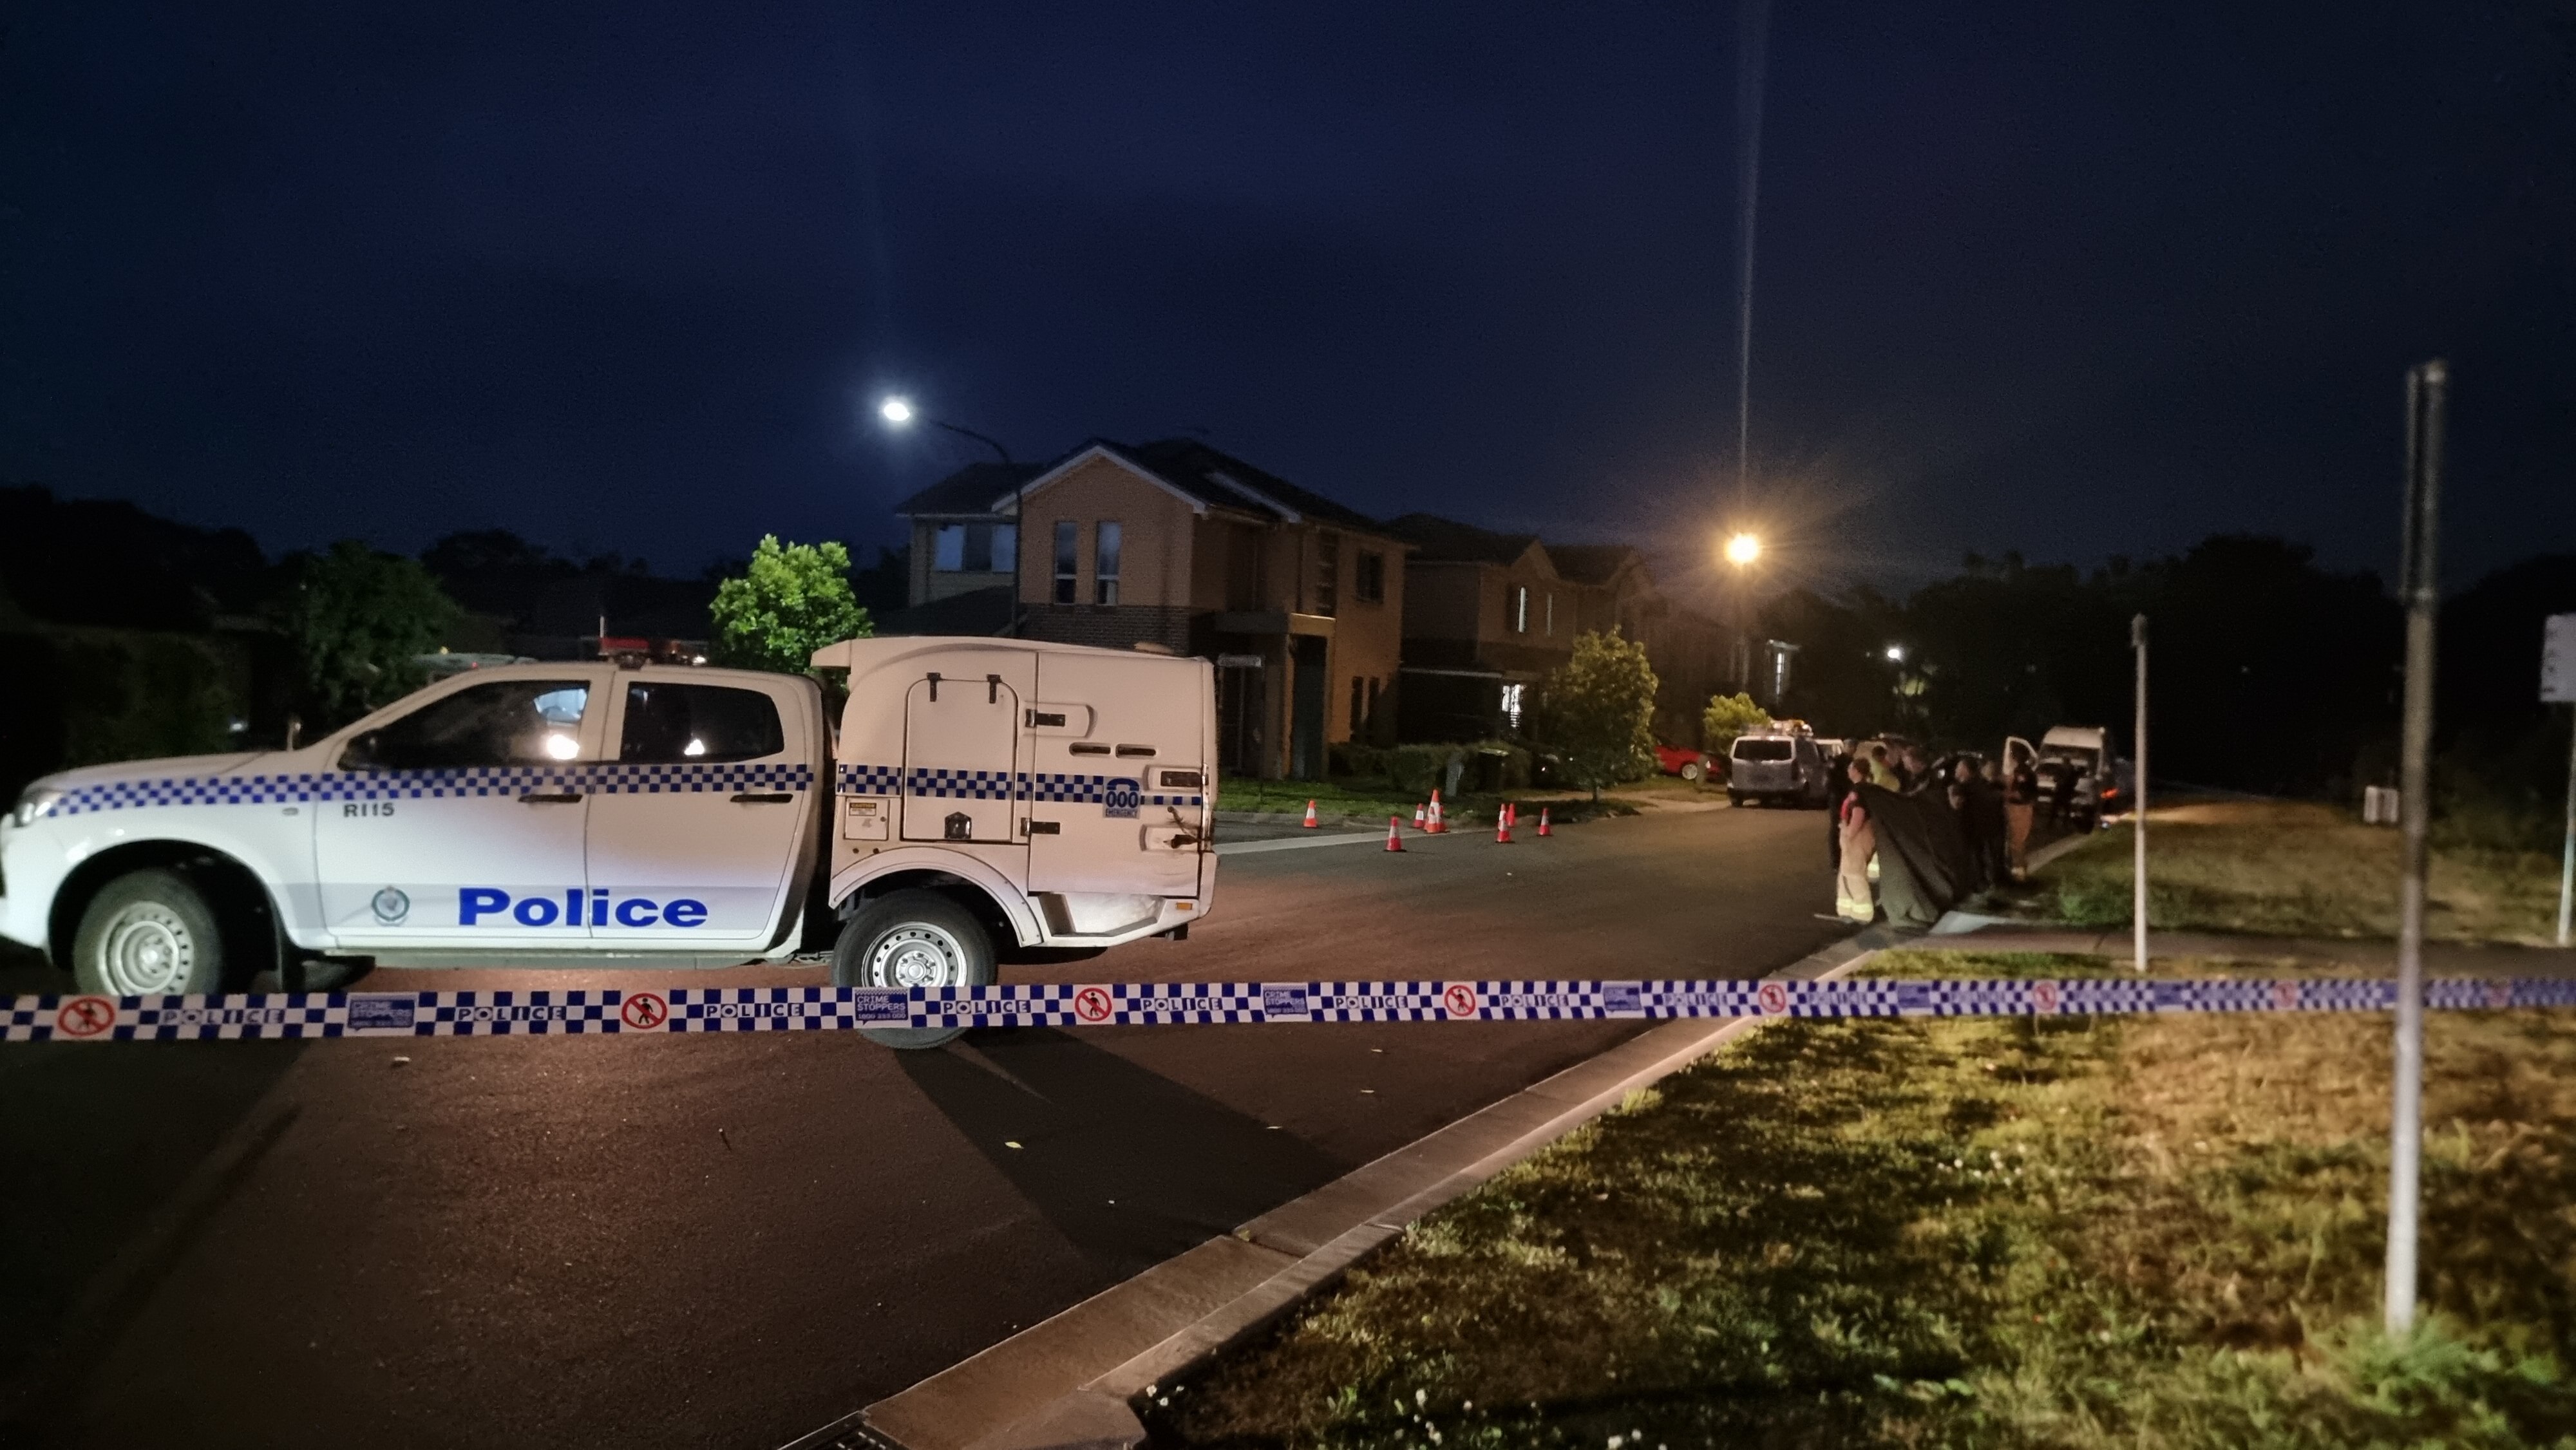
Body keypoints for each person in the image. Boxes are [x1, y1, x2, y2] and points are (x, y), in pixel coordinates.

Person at [1834, 757, 1876, 923]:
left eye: (1850, 768)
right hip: (1861, 836)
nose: (1848, 771)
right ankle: (1847, 911)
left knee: (1854, 874)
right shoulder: (1865, 789)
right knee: (1847, 873)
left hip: (1857, 837)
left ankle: (1863, 914)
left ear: (1856, 771)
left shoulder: (1858, 792)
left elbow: (1858, 814)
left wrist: (1849, 834)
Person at [2003, 746, 2038, 881]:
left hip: (2019, 809)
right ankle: (2019, 869)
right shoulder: (2027, 772)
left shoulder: (2021, 772)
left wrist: (2005, 794)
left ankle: (2018, 872)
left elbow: (2020, 794)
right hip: (2024, 808)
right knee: (2018, 840)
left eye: (2012, 755)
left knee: (2017, 841)